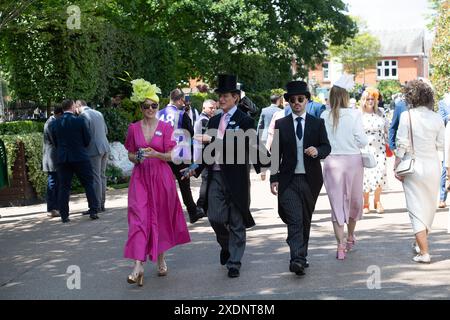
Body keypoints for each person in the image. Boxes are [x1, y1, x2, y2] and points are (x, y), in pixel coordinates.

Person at [185, 74, 266, 278]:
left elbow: (250, 146)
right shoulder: (213, 120)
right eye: (219, 96)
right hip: (216, 176)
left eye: (225, 96)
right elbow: (208, 150)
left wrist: (267, 170)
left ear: (235, 98)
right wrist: (196, 167)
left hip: (236, 178)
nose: (221, 100)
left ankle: (235, 262)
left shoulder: (245, 120)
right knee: (215, 217)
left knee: (237, 220)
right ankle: (227, 246)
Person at [124, 79, 190, 286]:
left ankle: (160, 257)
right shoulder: (133, 128)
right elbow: (130, 155)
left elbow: (172, 156)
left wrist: (157, 154)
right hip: (141, 179)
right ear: (141, 108)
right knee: (139, 219)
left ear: (158, 107)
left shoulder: (166, 127)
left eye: (154, 105)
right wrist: (138, 158)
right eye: (146, 106)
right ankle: (138, 265)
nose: (150, 109)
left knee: (159, 217)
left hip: (161, 178)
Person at [270, 80, 331, 275]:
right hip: (288, 180)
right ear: (287, 102)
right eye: (292, 100)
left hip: (310, 179)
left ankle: (301, 255)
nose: (297, 103)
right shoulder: (281, 124)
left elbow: (326, 147)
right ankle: (296, 258)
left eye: (300, 99)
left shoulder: (317, 123)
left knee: (305, 219)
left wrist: (317, 151)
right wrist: (273, 178)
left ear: (306, 101)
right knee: (295, 219)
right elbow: (275, 153)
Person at [394, 80, 444, 264]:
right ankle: (420, 243)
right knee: (429, 208)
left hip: (413, 166)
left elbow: (401, 143)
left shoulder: (407, 116)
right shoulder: (437, 117)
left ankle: (424, 252)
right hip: (432, 165)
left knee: (415, 209)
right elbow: (441, 145)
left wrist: (396, 164)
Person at [321, 74, 368, 260]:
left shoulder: (325, 115)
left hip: (332, 162)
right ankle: (350, 236)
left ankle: (340, 245)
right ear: (346, 96)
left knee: (337, 204)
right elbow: (362, 140)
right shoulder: (355, 114)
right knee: (354, 201)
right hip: (353, 161)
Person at [158, 88, 206, 224]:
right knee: (184, 184)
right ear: (179, 100)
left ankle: (164, 214)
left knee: (164, 185)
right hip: (179, 153)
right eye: (183, 101)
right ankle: (192, 211)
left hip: (161, 154)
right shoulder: (181, 114)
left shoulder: (158, 114)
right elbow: (190, 133)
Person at [50, 100, 99, 223]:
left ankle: (64, 215)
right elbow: (87, 140)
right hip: (80, 156)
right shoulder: (79, 121)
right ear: (72, 107)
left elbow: (55, 142)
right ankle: (93, 210)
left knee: (64, 187)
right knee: (88, 183)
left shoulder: (55, 123)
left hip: (63, 158)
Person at [75, 100, 110, 213]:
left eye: (76, 108)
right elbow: (105, 130)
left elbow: (85, 135)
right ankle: (102, 204)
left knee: (96, 177)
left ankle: (97, 205)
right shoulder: (98, 113)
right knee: (102, 176)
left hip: (93, 149)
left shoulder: (83, 116)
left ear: (79, 106)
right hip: (105, 147)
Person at [360, 88, 389, 214]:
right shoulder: (358, 114)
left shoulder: (380, 112)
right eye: (368, 99)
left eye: (373, 99)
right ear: (363, 100)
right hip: (365, 149)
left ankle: (377, 201)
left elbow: (387, 127)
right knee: (365, 176)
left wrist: (389, 142)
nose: (370, 101)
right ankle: (365, 203)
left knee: (380, 173)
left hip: (380, 148)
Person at [193, 99, 217, 215]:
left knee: (208, 180)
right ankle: (200, 206)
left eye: (214, 108)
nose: (213, 110)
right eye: (211, 108)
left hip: (204, 154)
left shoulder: (205, 119)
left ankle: (205, 206)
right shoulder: (204, 120)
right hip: (204, 154)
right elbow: (205, 139)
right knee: (206, 181)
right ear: (204, 108)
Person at [43, 106, 64, 218]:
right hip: (52, 158)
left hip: (53, 157)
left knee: (55, 182)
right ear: (59, 114)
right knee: (52, 183)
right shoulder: (51, 123)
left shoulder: (52, 122)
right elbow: (55, 141)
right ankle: (52, 208)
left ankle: (56, 207)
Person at [257, 95, 283, 180]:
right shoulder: (281, 111)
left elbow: (260, 124)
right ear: (278, 101)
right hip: (276, 135)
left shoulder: (264, 110)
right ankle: (274, 173)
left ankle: (263, 172)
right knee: (275, 155)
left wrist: (258, 136)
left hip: (265, 135)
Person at [437, 92, 450, 208]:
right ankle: (442, 198)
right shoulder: (443, 102)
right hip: (448, 137)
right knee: (446, 167)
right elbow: (440, 119)